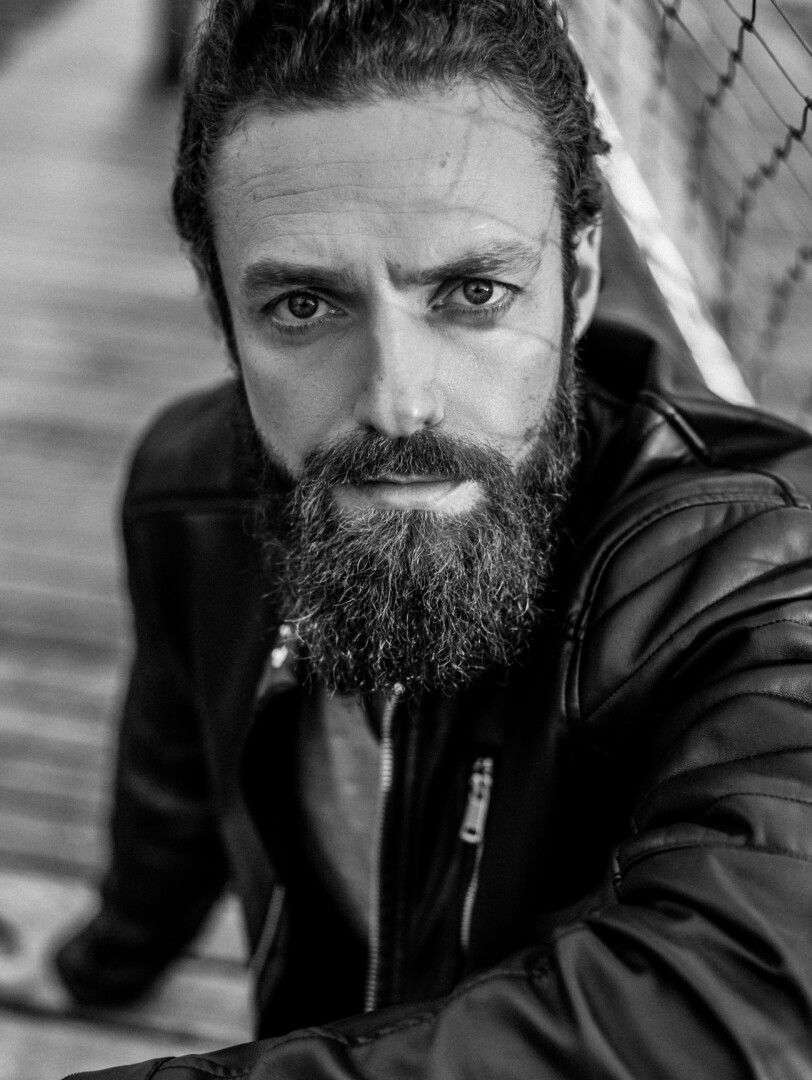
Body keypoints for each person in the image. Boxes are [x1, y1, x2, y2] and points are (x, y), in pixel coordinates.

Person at [57, 1, 812, 1076]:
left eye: (473, 292)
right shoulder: (189, 496)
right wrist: (102, 968)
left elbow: (744, 998)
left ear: (578, 280)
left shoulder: (753, 576)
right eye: (304, 307)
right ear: (222, 312)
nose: (397, 402)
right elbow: (176, 780)